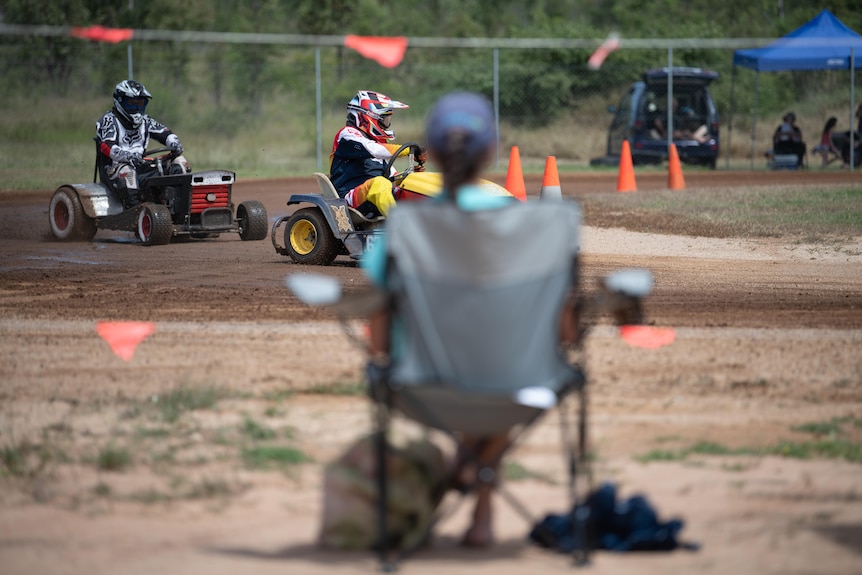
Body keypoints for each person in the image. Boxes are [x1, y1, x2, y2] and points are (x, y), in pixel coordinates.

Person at [361, 92, 580, 548]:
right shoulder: (535, 227)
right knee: (497, 368)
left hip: (423, 388)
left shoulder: (403, 230)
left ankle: (459, 466)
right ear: (489, 153)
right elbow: (566, 334)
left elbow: (379, 341)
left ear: (434, 155)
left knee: (468, 368)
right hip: (517, 389)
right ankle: (481, 510)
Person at [329, 90, 427, 218]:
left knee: (413, 185)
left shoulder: (375, 144)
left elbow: (392, 176)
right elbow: (374, 150)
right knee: (380, 183)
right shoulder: (347, 135)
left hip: (375, 194)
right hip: (347, 198)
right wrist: (409, 150)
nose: (387, 123)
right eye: (384, 118)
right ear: (368, 117)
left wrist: (411, 177)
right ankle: (400, 228)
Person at [95, 80, 190, 209]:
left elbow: (165, 133)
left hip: (141, 164)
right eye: (131, 103)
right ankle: (134, 211)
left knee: (179, 162)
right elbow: (107, 147)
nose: (136, 108)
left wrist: (175, 143)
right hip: (115, 168)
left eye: (140, 103)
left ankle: (179, 208)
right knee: (127, 172)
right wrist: (127, 156)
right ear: (120, 101)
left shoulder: (146, 121)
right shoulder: (109, 120)